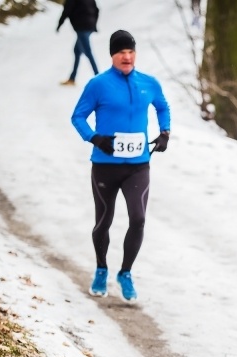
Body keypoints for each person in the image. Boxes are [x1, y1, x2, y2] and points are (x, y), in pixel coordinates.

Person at [70, 30, 171, 301]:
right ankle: (101, 268)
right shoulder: (98, 85)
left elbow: (162, 107)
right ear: (112, 55)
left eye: (130, 51)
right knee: (103, 221)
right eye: (121, 52)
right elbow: (78, 117)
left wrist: (165, 132)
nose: (127, 57)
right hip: (105, 165)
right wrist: (94, 138)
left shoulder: (148, 83)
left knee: (138, 219)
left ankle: (125, 273)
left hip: (138, 165)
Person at [56, 0, 100, 85]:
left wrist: (59, 25)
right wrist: (94, 25)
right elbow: (96, 10)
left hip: (82, 27)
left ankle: (99, 78)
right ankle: (72, 78)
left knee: (88, 52)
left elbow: (66, 10)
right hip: (88, 26)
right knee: (77, 51)